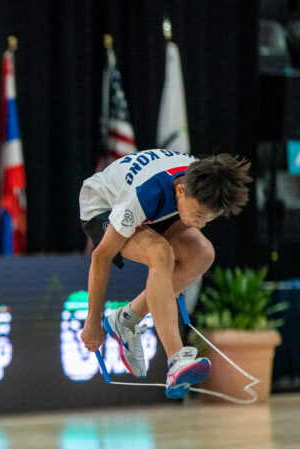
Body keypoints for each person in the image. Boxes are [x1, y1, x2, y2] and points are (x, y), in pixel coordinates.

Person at [79, 150, 251, 398]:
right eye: (199, 215)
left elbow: (189, 222)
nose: (201, 224)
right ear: (180, 190)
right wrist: (93, 320)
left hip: (155, 211)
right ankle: (176, 360)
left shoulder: (201, 180)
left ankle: (126, 318)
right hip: (103, 205)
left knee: (203, 253)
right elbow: (101, 256)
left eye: (208, 219)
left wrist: (175, 277)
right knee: (161, 254)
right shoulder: (145, 194)